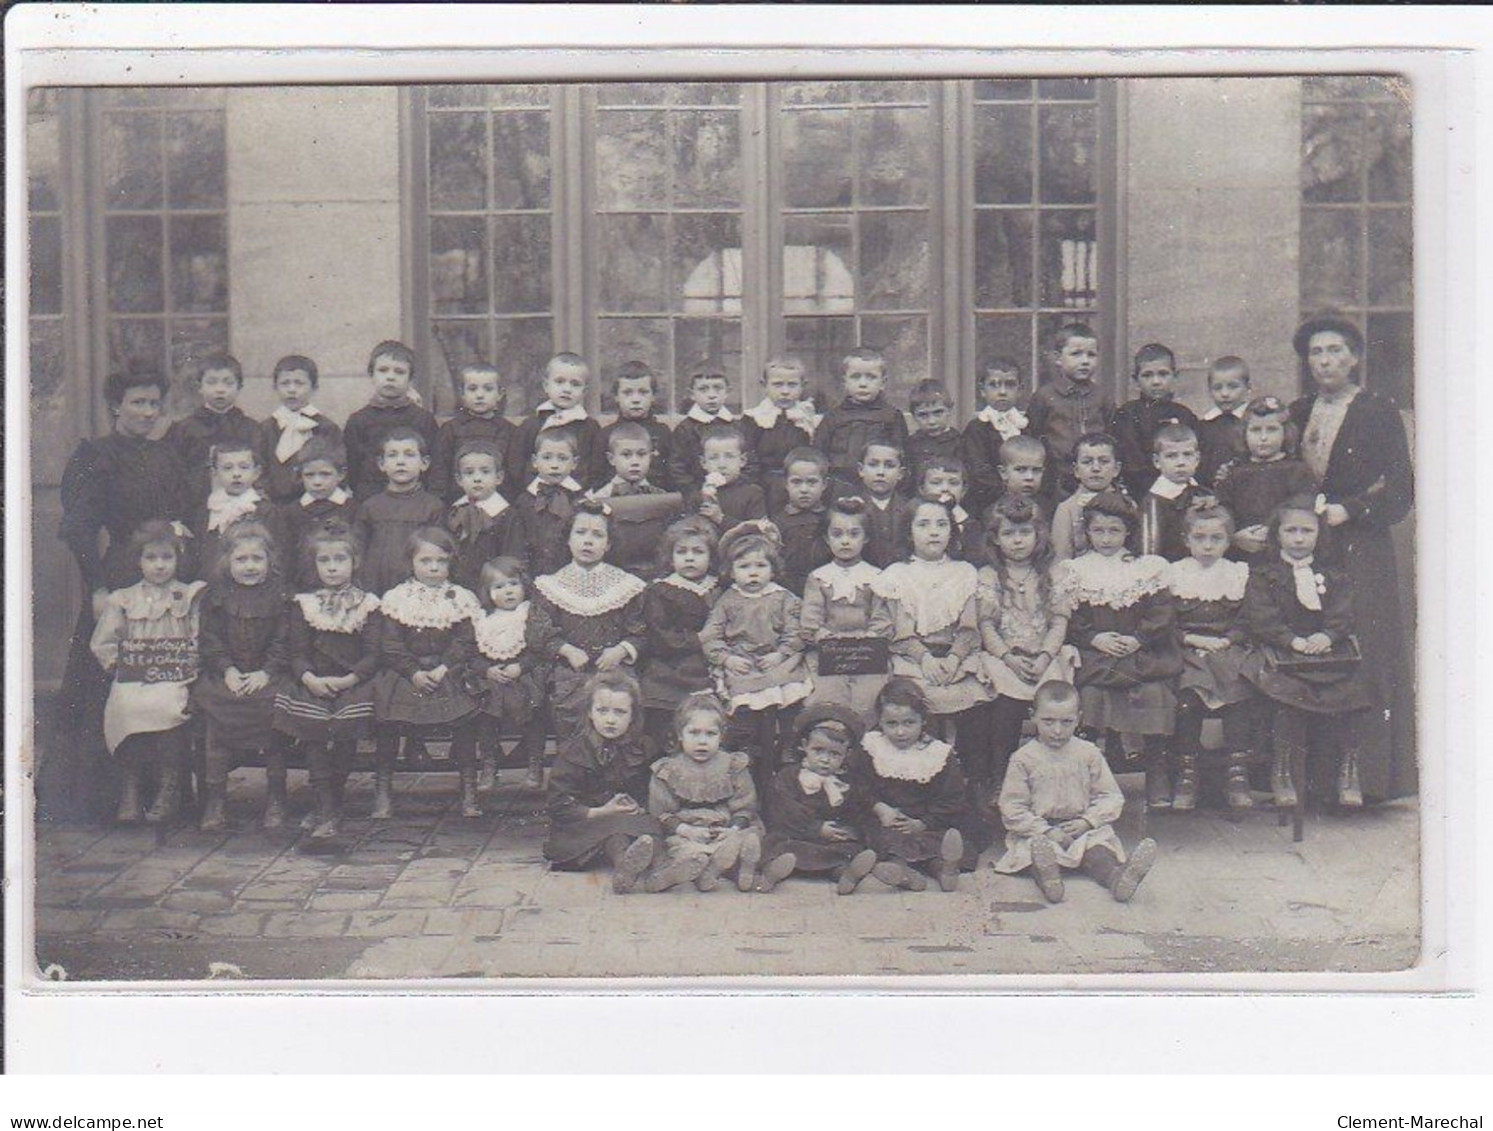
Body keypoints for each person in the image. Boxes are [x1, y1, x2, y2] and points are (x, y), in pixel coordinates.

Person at [51, 370, 193, 822]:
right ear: (116, 405)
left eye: (154, 403)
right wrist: (97, 588)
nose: (147, 412)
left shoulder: (167, 454)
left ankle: (160, 793)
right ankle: (100, 797)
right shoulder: (95, 455)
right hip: (119, 579)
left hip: (165, 574)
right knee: (105, 683)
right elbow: (78, 527)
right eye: (137, 403)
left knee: (161, 677)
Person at [1289, 315, 1414, 800]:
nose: (1326, 361)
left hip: (1361, 547)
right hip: (1311, 546)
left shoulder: (1376, 411)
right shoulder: (1298, 411)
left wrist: (1354, 510)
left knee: (1364, 650)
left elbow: (1402, 490)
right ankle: (1312, 779)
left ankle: (1367, 777)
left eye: (1336, 350)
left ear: (1354, 357)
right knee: (1314, 647)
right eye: (1317, 352)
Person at [1241, 495, 1378, 809]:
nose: (1299, 538)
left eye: (1307, 531)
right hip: (1283, 654)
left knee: (1353, 691)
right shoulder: (1264, 576)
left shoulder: (1334, 575)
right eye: (1291, 531)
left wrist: (1327, 635)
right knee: (1287, 698)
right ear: (1277, 535)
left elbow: (1343, 614)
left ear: (1319, 535)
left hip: (1326, 651)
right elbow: (1262, 618)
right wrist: (1293, 641)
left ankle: (1348, 772)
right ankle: (1283, 772)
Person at [1054, 492, 1183, 808]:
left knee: (1155, 691)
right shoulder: (1076, 570)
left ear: (1128, 531)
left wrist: (1140, 638)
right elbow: (1070, 618)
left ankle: (1156, 770)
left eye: (1114, 530)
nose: (1106, 538)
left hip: (1139, 650)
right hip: (1099, 652)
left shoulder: (1147, 567)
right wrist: (1094, 638)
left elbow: (1161, 612)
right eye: (1099, 531)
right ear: (1087, 533)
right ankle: (1090, 777)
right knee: (1093, 692)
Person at [994, 681, 1159, 905]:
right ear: (1033, 716)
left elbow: (1110, 796)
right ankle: (1049, 880)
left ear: (1079, 718)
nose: (1057, 730)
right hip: (1041, 830)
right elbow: (1012, 807)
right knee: (1035, 853)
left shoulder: (1088, 753)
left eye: (1067, 722)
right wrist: (1045, 830)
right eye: (1048, 721)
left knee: (1099, 853)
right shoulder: (1024, 758)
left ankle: (1117, 879)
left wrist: (1088, 821)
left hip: (1083, 829)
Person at [88, 521, 206, 825]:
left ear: (178, 560)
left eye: (167, 558)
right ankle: (132, 787)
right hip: (135, 677)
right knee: (126, 706)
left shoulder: (188, 597)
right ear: (138, 561)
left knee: (167, 706)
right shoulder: (124, 599)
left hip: (174, 678)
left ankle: (170, 786)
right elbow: (103, 642)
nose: (159, 565)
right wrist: (118, 664)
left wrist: (188, 665)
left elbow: (197, 638)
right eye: (151, 558)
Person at [271, 528, 382, 840]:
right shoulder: (304, 604)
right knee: (315, 728)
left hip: (353, 681)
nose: (332, 567)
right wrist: (309, 677)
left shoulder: (368, 604)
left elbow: (374, 653)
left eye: (340, 559)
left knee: (347, 724)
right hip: (313, 681)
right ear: (314, 565)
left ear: (354, 562)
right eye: (324, 560)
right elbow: (297, 652)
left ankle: (332, 801)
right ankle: (325, 804)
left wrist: (350, 678)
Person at [872, 497, 991, 774]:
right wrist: (924, 658)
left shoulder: (964, 572)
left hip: (957, 659)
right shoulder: (897, 575)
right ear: (909, 532)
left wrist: (953, 659)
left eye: (941, 524)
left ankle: (969, 781)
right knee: (916, 702)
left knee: (974, 705)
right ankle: (921, 774)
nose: (934, 531)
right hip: (913, 660)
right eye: (923, 524)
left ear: (952, 531)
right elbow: (899, 631)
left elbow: (969, 628)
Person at [371, 527, 483, 819]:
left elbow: (465, 640)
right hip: (409, 671)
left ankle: (469, 789)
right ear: (411, 563)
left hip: (448, 670)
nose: (434, 568)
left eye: (441, 561)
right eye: (425, 561)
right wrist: (413, 672)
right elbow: (391, 644)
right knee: (389, 716)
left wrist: (446, 667)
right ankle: (383, 789)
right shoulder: (398, 598)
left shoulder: (460, 597)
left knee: (465, 716)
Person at [192, 520, 291, 830]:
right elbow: (210, 640)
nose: (250, 566)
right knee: (216, 715)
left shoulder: (281, 596)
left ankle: (276, 796)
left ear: (270, 561)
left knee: (275, 715)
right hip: (228, 675)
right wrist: (228, 670)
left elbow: (283, 639)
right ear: (226, 562)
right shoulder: (216, 597)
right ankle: (215, 799)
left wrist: (266, 671)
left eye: (257, 559)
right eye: (241, 559)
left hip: (268, 676)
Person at [699, 520, 812, 789]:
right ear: (731, 570)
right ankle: (747, 747)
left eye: (760, 566)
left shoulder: (783, 598)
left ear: (773, 569)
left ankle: (787, 745)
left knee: (789, 696)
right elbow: (710, 635)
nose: (753, 574)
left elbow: (796, 631)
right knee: (744, 702)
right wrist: (727, 658)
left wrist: (781, 653)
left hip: (776, 660)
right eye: (744, 566)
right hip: (743, 662)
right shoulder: (728, 600)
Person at [977, 496, 1076, 800]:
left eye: (1024, 533)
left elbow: (1059, 622)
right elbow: (987, 625)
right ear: (995, 538)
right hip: (1006, 659)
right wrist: (1007, 657)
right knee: (1005, 710)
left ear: (1038, 535)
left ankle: (1053, 779)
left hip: (1045, 656)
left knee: (1052, 706)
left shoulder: (1053, 574)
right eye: (1008, 534)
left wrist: (1046, 656)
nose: (1017, 541)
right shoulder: (990, 576)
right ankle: (1002, 780)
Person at [533, 501, 648, 757]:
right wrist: (567, 650)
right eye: (581, 532)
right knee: (572, 719)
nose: (588, 541)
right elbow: (539, 630)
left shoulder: (626, 585)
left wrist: (621, 650)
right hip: (571, 671)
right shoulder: (551, 585)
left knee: (620, 714)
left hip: (615, 670)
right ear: (568, 539)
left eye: (597, 535)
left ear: (608, 544)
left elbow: (640, 630)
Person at [1164, 500, 1257, 812]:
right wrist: (1190, 638)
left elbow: (1248, 620)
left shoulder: (1237, 574)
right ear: (1186, 540)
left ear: (1228, 541)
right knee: (1188, 697)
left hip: (1227, 648)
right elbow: (1162, 621)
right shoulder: (1173, 574)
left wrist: (1229, 639)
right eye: (1199, 538)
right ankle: (1186, 775)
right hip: (1187, 649)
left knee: (1239, 693)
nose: (1207, 546)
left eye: (1216, 539)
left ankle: (1237, 775)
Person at [850, 678, 984, 891]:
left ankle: (943, 869)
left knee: (935, 841)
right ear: (880, 721)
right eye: (891, 724)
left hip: (925, 820)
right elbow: (858, 785)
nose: (900, 732)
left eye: (908, 722)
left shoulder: (936, 753)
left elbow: (951, 798)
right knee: (883, 839)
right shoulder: (872, 747)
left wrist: (923, 822)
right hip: (885, 819)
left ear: (923, 720)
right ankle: (901, 872)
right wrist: (879, 807)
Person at [543, 671, 666, 895]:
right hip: (587, 822)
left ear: (633, 716)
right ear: (590, 712)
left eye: (620, 712)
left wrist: (640, 806)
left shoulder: (644, 747)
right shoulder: (574, 752)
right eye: (603, 711)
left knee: (651, 832)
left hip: (630, 819)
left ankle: (661, 871)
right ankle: (624, 867)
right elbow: (558, 804)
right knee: (616, 835)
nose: (610, 719)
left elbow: (652, 788)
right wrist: (602, 811)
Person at [760, 704, 902, 895]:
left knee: (849, 850)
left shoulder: (847, 782)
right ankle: (772, 872)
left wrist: (849, 829)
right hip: (798, 834)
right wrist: (816, 829)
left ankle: (846, 874)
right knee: (780, 846)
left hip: (831, 841)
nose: (825, 759)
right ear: (804, 746)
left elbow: (858, 809)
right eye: (818, 750)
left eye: (834, 754)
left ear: (847, 755)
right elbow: (783, 811)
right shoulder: (789, 777)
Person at [646, 692, 771, 893]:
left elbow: (745, 806)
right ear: (680, 734)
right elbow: (662, 812)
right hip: (688, 831)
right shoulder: (668, 770)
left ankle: (740, 869)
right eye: (694, 733)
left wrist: (732, 829)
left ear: (721, 735)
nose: (702, 741)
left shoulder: (733, 765)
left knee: (747, 839)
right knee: (685, 850)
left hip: (725, 829)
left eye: (710, 734)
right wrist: (688, 831)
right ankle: (694, 871)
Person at [464, 556, 560, 797]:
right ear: (488, 592)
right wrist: (487, 670)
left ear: (523, 585)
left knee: (535, 708)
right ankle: (489, 764)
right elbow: (472, 654)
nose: (508, 592)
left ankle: (535, 764)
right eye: (499, 587)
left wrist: (521, 666)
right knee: (485, 711)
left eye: (513, 584)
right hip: (493, 677)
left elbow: (538, 650)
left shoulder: (529, 614)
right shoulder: (482, 619)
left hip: (524, 674)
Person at [799, 498, 892, 721]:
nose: (845, 541)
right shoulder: (819, 577)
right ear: (826, 538)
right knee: (828, 697)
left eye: (853, 534)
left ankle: (865, 746)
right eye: (837, 534)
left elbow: (882, 616)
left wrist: (871, 636)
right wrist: (822, 635)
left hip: (867, 651)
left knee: (869, 698)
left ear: (866, 537)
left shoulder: (876, 576)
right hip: (830, 651)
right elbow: (811, 619)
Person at [639, 516, 720, 754]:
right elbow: (659, 634)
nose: (690, 557)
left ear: (711, 557)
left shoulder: (719, 588)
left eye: (698, 551)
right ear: (670, 556)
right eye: (682, 551)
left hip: (711, 661)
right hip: (670, 663)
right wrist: (698, 639)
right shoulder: (661, 590)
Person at [1213, 396, 1317, 565]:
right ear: (1243, 433)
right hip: (1242, 551)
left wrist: (1271, 530)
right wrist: (1233, 535)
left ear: (1286, 433)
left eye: (1271, 430)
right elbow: (1224, 509)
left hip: (1284, 552)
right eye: (1255, 430)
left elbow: (1300, 506)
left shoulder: (1297, 471)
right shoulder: (1234, 473)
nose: (1263, 437)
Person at [163, 352, 265, 505]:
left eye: (228, 383)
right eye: (212, 382)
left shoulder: (252, 428)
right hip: (197, 505)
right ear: (200, 387)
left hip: (243, 506)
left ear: (239, 387)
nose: (220, 389)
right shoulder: (184, 429)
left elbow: (261, 471)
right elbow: (175, 474)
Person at [354, 427, 446, 596]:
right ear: (381, 464)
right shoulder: (370, 507)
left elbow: (436, 553)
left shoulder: (433, 506)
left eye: (409, 454)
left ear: (424, 463)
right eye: (393, 455)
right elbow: (358, 550)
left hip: (416, 589)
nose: (400, 461)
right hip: (374, 586)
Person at [1025, 322, 1113, 495]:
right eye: (1076, 354)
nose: (1085, 361)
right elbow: (1033, 436)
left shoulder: (1102, 397)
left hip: (1095, 477)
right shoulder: (1044, 396)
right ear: (1058, 358)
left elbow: (1112, 435)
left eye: (1091, 355)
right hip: (1057, 479)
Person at [343, 340, 438, 500]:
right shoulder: (358, 420)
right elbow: (352, 467)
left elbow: (433, 465)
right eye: (383, 370)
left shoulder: (423, 419)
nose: (390, 377)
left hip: (413, 498)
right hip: (370, 500)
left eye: (399, 372)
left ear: (410, 378)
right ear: (372, 375)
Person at [588, 420, 680, 581]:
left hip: (654, 574)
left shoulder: (661, 498)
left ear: (651, 457)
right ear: (611, 459)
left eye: (642, 454)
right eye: (626, 455)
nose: (635, 461)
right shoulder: (599, 499)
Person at [1109, 342, 1200, 499]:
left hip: (1183, 492)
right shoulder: (1128, 414)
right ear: (1135, 379)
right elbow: (1132, 463)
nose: (1156, 381)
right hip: (1141, 493)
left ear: (1175, 375)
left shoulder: (1185, 415)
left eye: (1163, 374)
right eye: (1147, 375)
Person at [506, 352, 607, 491]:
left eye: (575, 384)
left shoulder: (590, 428)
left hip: (576, 495)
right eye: (559, 381)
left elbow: (596, 466)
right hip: (536, 495)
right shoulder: (531, 425)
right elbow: (516, 463)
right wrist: (531, 488)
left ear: (584, 392)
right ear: (546, 385)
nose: (566, 389)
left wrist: (580, 490)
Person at [815, 346, 910, 489]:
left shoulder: (892, 416)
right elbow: (819, 456)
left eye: (871, 377)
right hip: (838, 487)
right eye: (855, 377)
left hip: (879, 488)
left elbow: (902, 457)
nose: (863, 384)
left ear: (883, 382)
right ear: (845, 382)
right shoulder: (833, 417)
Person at [276, 437, 360, 590]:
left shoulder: (353, 509)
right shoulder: (291, 512)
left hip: (343, 588)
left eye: (325, 474)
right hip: (302, 588)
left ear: (341, 474)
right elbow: (285, 556)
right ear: (301, 475)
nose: (317, 482)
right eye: (309, 475)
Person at [428, 361, 518, 504]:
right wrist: (439, 502)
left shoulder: (510, 431)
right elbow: (440, 471)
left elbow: (514, 473)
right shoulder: (451, 429)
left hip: (498, 504)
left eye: (488, 389)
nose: (480, 395)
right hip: (457, 502)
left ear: (499, 394)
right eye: (472, 389)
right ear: (462, 394)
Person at [503, 426, 587, 579]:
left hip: (572, 574)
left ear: (574, 463)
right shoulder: (525, 501)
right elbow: (516, 546)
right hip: (534, 575)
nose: (554, 465)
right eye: (547, 457)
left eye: (562, 458)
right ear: (535, 461)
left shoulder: (580, 500)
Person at [259, 354, 342, 504]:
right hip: (274, 504)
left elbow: (337, 467)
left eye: (299, 383)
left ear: (314, 387)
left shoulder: (326, 428)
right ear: (275, 387)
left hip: (315, 502)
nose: (292, 390)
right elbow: (259, 467)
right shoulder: (266, 429)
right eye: (285, 383)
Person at [188, 439, 277, 578]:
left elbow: (276, 554)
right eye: (228, 468)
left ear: (256, 472)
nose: (236, 474)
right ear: (214, 472)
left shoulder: (266, 510)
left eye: (244, 467)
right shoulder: (208, 509)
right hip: (212, 582)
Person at [743, 357, 819, 511]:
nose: (785, 391)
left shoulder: (808, 420)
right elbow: (749, 456)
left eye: (792, 385)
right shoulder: (754, 419)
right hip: (764, 486)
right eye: (778, 384)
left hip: (801, 486)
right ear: (764, 385)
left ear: (803, 386)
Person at [443, 440, 516, 590]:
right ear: (459, 479)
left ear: (499, 477)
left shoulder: (507, 516)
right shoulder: (453, 512)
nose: (477, 478)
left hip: (492, 589)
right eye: (469, 473)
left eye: (485, 471)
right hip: (456, 588)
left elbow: (510, 558)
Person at [962, 356, 1031, 513]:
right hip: (988, 502)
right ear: (982, 390)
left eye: (1010, 385)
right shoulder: (977, 428)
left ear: (1020, 390)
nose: (1002, 392)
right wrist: (1007, 490)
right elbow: (978, 470)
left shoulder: (1026, 426)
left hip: (1025, 498)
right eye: (994, 385)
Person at [1051, 432, 1127, 562]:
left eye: (1104, 461)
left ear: (1116, 469)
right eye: (1087, 462)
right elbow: (1061, 558)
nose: (1096, 468)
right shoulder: (1067, 509)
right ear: (1076, 470)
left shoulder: (1127, 504)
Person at [835, 439, 912, 568]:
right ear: (861, 470)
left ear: (900, 473)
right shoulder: (850, 507)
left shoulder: (909, 508)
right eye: (873, 464)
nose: (880, 472)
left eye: (889, 465)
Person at [602, 360, 676, 491]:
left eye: (643, 392)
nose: (636, 399)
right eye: (627, 392)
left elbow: (671, 475)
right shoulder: (606, 434)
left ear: (653, 396)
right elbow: (600, 477)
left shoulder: (663, 432)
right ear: (616, 397)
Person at [1138, 423, 1207, 562]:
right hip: (1169, 570)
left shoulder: (1202, 493)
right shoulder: (1154, 501)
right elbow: (1149, 548)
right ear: (1157, 461)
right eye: (1171, 456)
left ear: (1197, 459)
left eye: (1187, 454)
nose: (1181, 462)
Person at [668, 370, 745, 494]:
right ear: (692, 394)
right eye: (703, 389)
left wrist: (738, 487)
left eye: (717, 388)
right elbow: (677, 468)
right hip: (698, 492)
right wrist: (695, 491)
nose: (711, 395)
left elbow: (749, 462)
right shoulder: (685, 429)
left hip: (735, 491)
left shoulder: (738, 427)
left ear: (727, 392)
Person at [773, 447, 833, 593]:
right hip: (788, 587)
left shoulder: (830, 518)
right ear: (786, 484)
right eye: (796, 482)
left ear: (824, 484)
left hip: (824, 585)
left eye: (811, 482)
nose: (804, 489)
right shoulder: (779, 522)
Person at [691, 423, 767, 530]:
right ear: (703, 463)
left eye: (729, 456)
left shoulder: (753, 493)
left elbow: (758, 531)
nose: (722, 465)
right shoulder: (697, 494)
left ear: (742, 460)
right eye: (713, 458)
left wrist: (721, 519)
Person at [1196, 355, 1251, 488]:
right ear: (1209, 390)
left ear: (1248, 387)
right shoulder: (1203, 425)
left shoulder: (1252, 422)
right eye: (1217, 388)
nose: (1225, 393)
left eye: (1233, 387)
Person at [904, 378, 964, 496]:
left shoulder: (961, 442)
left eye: (938, 413)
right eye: (923, 415)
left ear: (950, 410)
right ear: (913, 416)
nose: (931, 421)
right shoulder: (911, 444)